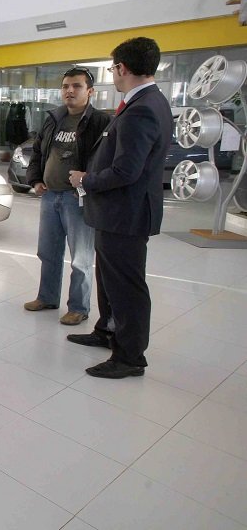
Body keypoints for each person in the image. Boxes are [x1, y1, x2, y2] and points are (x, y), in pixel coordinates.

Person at [66, 37, 173, 379]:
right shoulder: (146, 101)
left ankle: (129, 357)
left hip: (125, 214)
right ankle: (107, 330)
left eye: (113, 68)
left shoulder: (142, 108)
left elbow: (127, 171)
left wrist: (86, 179)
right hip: (116, 213)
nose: (113, 74)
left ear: (122, 68)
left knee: (126, 286)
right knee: (109, 279)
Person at [23, 67, 110, 326]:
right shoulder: (54, 118)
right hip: (50, 196)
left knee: (81, 258)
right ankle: (47, 297)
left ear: (90, 91)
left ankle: (79, 308)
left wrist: (88, 179)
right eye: (65, 86)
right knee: (48, 252)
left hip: (78, 198)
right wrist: (35, 179)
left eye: (76, 86)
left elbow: (106, 159)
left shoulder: (100, 122)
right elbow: (38, 151)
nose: (69, 91)